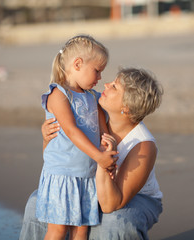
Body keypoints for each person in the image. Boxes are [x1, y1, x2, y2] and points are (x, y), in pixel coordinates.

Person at [20, 67, 164, 240]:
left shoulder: (143, 145)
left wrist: (103, 161)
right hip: (90, 185)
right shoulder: (91, 116)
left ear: (126, 107)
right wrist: (47, 140)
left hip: (135, 198)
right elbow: (59, 164)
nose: (106, 84)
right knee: (36, 201)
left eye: (115, 87)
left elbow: (111, 203)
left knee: (116, 222)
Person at [36, 35, 118, 240]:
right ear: (78, 64)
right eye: (97, 71)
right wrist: (99, 157)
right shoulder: (59, 94)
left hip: (87, 175)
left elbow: (103, 131)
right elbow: (71, 130)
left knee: (81, 230)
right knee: (58, 230)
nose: (100, 78)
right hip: (63, 174)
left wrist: (105, 153)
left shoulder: (92, 97)